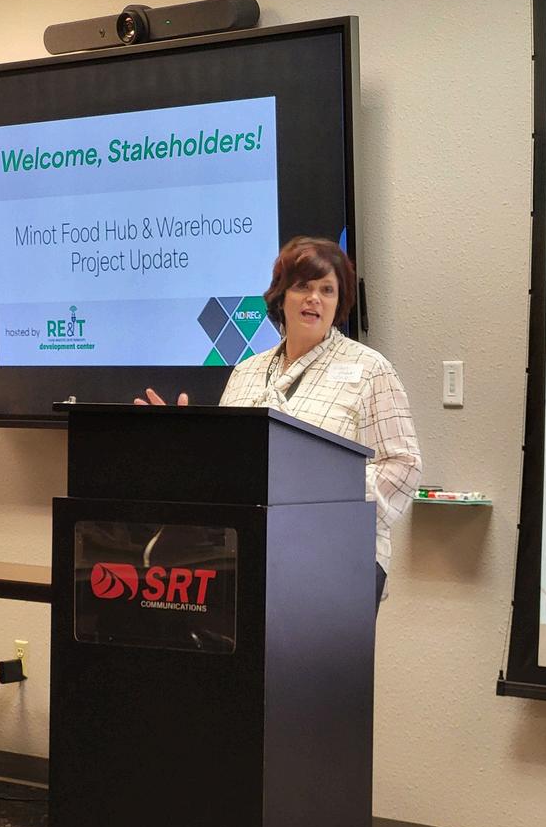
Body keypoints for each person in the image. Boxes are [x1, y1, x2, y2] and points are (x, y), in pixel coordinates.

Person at [137, 237, 422, 607]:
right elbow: (224, 468)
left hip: (338, 557)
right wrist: (184, 441)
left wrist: (325, 494)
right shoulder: (245, 372)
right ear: (281, 296)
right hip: (247, 553)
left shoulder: (371, 370)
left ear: (339, 303)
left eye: (327, 290)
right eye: (302, 286)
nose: (314, 298)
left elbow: (404, 466)